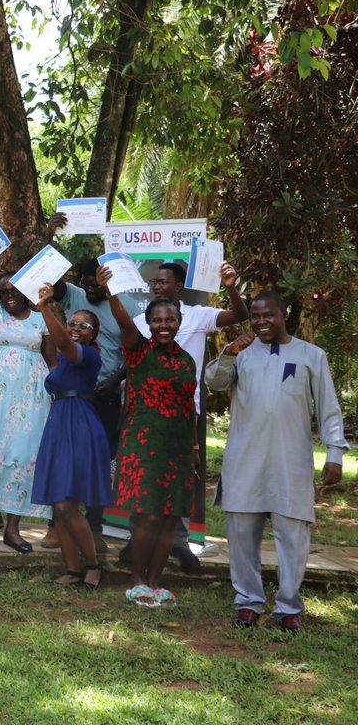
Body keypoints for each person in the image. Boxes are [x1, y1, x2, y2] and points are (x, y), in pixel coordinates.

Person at [205, 291, 349, 632]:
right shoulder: (240, 354)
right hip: (245, 458)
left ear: (284, 315)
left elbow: (329, 409)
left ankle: (288, 607)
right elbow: (214, 382)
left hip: (291, 461)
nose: (260, 321)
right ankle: (248, 602)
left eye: (268, 315)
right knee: (241, 535)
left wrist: (334, 453)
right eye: (255, 315)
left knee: (292, 535)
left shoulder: (311, 355)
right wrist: (228, 353)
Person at [128, 259, 248, 572]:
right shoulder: (142, 319)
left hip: (185, 413)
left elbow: (239, 315)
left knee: (177, 483)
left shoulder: (198, 316)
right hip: (144, 413)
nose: (156, 286)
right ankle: (134, 541)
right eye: (154, 282)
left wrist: (232, 288)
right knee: (143, 480)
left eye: (163, 281)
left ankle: (178, 542)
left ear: (179, 286)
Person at [99, 264, 197, 607]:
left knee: (170, 516)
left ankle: (156, 581)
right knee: (150, 514)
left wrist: (195, 447)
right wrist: (110, 292)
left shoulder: (186, 361)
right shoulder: (139, 351)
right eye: (158, 321)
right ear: (150, 325)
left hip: (180, 447)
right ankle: (136, 579)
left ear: (179, 322)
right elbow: (125, 322)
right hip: (144, 445)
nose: (164, 325)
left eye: (170, 320)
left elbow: (189, 406)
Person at [43, 257, 144, 553]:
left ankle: (95, 528)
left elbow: (134, 347)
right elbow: (55, 283)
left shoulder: (122, 305)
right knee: (63, 462)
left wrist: (115, 380)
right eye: (86, 284)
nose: (91, 289)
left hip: (105, 395)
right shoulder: (75, 296)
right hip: (71, 399)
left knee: (100, 463)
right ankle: (56, 525)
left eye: (95, 284)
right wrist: (50, 236)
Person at [0, 246, 55, 552]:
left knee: (24, 456)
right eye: (2, 291)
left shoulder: (41, 318)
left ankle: (14, 528)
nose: (8, 296)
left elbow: (53, 361)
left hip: (33, 399)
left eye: (13, 289)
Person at [30, 283, 113, 589]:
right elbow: (57, 348)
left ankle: (93, 566)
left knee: (68, 505)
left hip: (80, 425)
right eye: (73, 323)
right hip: (58, 423)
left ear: (93, 333)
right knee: (59, 503)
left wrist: (44, 308)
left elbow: (63, 342)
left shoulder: (88, 355)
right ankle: (73, 569)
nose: (77, 328)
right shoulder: (65, 360)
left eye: (84, 325)